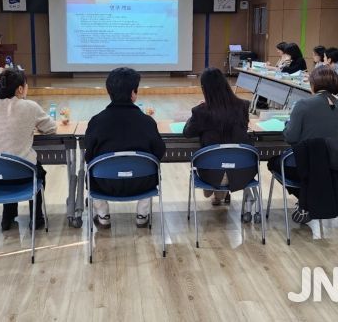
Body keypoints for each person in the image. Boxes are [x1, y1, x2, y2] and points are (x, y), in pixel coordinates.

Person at [0, 69, 56, 230]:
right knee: (38, 173)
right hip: (23, 172)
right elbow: (51, 128)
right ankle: (36, 217)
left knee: (6, 166)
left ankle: (8, 216)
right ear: (20, 89)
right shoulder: (30, 106)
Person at [84, 67, 166, 229]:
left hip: (104, 183)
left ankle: (103, 216)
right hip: (142, 182)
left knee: (91, 169)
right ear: (133, 93)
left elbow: (89, 156)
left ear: (109, 92)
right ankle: (142, 215)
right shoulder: (147, 122)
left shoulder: (96, 121)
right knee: (153, 167)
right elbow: (159, 152)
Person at [267, 67, 338, 218]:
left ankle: (305, 200)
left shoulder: (303, 104)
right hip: (327, 167)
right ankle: (307, 200)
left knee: (272, 163)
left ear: (314, 84)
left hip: (301, 166)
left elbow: (291, 138)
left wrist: (287, 125)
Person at [183, 67, 251, 206]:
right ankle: (220, 193)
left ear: (204, 89)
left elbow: (187, 133)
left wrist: (195, 113)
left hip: (211, 173)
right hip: (241, 173)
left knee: (215, 160)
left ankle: (216, 189)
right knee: (227, 152)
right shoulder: (243, 106)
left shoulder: (201, 111)